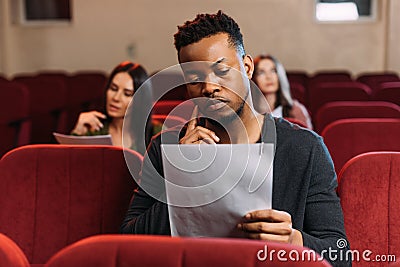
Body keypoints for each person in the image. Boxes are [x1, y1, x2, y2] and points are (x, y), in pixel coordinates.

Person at [121, 11, 350, 266]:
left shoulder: (305, 148)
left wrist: (295, 242)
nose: (209, 87)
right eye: (195, 79)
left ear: (247, 68)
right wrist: (183, 181)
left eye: (221, 70)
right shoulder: (166, 148)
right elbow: (128, 246)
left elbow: (340, 254)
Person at [71, 61, 160, 154]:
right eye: (113, 89)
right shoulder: (95, 129)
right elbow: (67, 164)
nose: (116, 98)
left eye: (127, 94)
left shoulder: (156, 132)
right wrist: (78, 131)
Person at [252, 54, 313, 129]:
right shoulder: (247, 111)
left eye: (273, 71)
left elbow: (310, 139)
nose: (268, 77)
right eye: (261, 72)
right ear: (254, 78)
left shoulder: (296, 110)